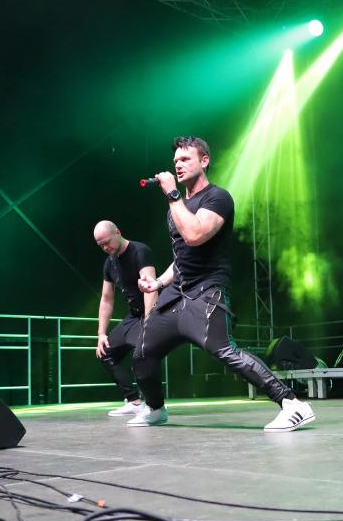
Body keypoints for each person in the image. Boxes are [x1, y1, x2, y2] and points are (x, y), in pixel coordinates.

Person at [129, 136, 315, 432]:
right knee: (142, 352)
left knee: (225, 351)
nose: (178, 165)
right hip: (177, 294)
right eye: (175, 161)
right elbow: (181, 256)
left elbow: (195, 235)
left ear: (204, 161)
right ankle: (155, 408)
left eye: (185, 159)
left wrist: (173, 195)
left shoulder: (217, 198)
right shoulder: (177, 207)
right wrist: (158, 283)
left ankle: (293, 404)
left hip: (206, 291)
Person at [93, 220, 157, 417]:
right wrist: (101, 334)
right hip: (134, 314)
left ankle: (155, 406)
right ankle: (134, 401)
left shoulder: (139, 251)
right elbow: (106, 299)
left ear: (118, 233)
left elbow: (150, 288)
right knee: (105, 353)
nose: (105, 248)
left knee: (143, 355)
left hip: (153, 312)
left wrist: (149, 323)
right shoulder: (109, 262)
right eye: (101, 245)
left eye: (107, 242)